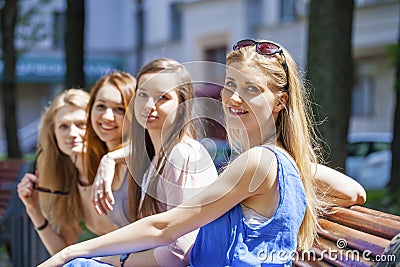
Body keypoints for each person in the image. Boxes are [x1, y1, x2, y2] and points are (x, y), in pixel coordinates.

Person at [39, 42, 366, 267]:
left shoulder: (257, 162)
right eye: (230, 84)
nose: (233, 98)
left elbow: (166, 229)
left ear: (280, 101)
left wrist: (75, 249)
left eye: (251, 89)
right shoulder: (275, 160)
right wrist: (290, 161)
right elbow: (355, 192)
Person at [17, 89, 120, 255]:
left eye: (81, 125)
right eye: (63, 126)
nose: (72, 134)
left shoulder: (114, 166)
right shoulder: (68, 181)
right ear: (54, 135)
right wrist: (33, 210)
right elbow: (62, 252)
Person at [82, 71, 136, 227]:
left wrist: (110, 158)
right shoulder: (96, 159)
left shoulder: (143, 159)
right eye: (101, 106)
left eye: (119, 109)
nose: (107, 117)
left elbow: (149, 149)